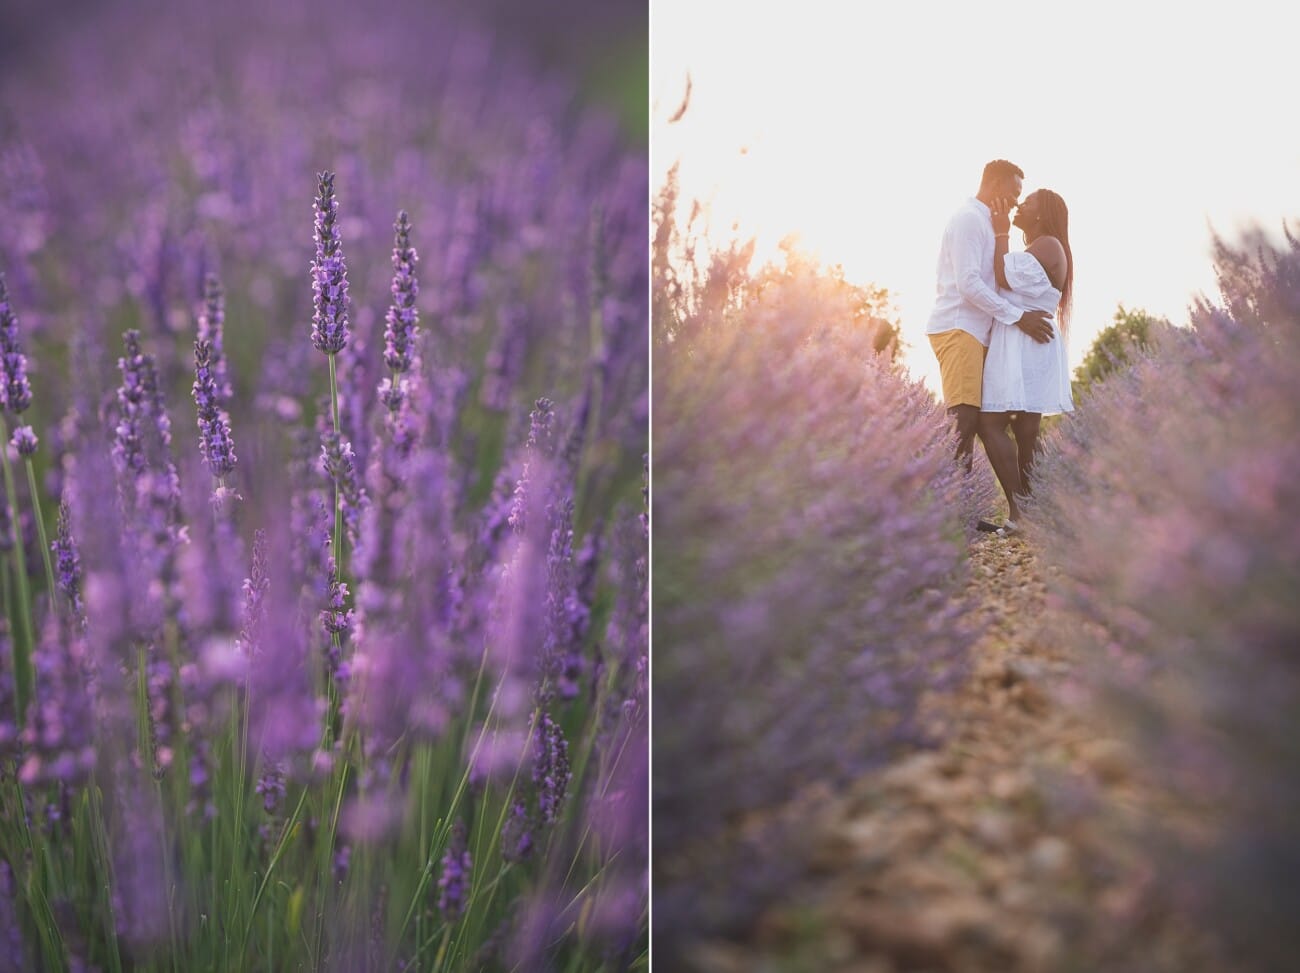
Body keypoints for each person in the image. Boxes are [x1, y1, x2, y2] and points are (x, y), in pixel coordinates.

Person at [927, 160, 1054, 476]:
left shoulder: (991, 223)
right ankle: (957, 503)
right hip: (959, 328)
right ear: (995, 184)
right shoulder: (969, 219)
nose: (1015, 203)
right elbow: (968, 284)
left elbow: (1001, 278)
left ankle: (973, 501)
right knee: (963, 420)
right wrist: (1018, 317)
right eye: (1014, 194)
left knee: (982, 420)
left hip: (978, 333)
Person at [978, 188, 1074, 532]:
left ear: (1041, 213)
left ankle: (1020, 513)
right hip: (1029, 340)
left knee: (990, 423)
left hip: (1028, 342)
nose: (1019, 204)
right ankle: (1034, 513)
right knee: (1025, 430)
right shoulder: (1043, 246)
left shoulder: (1047, 243)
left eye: (1027, 202)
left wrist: (1001, 230)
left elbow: (1003, 275)